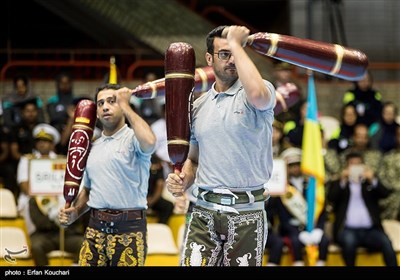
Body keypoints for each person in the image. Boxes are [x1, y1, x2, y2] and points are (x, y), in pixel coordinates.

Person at [166, 25, 276, 266]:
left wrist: (237, 44)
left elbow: (257, 93)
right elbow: (194, 160)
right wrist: (183, 179)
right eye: (224, 54)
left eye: (235, 54)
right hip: (204, 211)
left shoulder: (259, 91)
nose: (231, 60)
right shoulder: (198, 105)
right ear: (209, 58)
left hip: (247, 213)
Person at [58, 84, 156, 266]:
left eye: (112, 101)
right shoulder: (92, 147)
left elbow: (150, 142)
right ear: (96, 112)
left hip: (129, 230)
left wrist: (126, 105)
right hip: (95, 227)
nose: (105, 107)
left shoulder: (133, 139)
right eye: (100, 103)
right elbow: (88, 190)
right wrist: (76, 213)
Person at [16, 123, 83, 266]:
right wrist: (44, 200)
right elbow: (25, 186)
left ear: (53, 144)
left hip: (60, 204)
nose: (42, 145)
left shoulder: (62, 160)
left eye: (46, 141)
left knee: (84, 244)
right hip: (37, 205)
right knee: (36, 244)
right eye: (39, 141)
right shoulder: (27, 159)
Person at [328, 151, 398, 266]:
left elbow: (385, 193)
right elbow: (331, 197)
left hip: (370, 230)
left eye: (358, 164)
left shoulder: (368, 184)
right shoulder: (340, 183)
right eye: (352, 164)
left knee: (385, 242)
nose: (355, 168)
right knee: (349, 243)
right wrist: (342, 180)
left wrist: (373, 179)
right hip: (347, 230)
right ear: (346, 166)